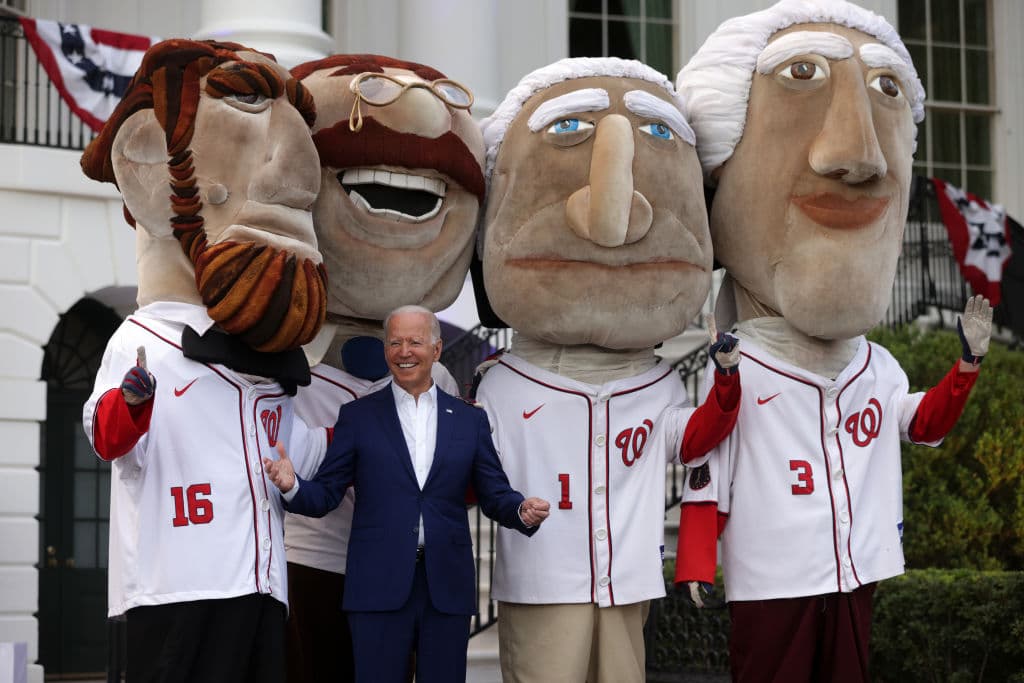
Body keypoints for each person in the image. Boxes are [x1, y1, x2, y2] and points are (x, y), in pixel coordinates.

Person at [672, 1, 991, 680]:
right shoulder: (742, 364)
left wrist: (966, 365)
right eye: (804, 73)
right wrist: (697, 559)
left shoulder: (876, 364)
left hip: (855, 565)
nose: (860, 153)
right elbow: (704, 469)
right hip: (774, 573)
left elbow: (921, 426)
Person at [472, 57, 741, 683]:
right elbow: (470, 473)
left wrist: (725, 380)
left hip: (626, 574)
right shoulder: (501, 384)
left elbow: (691, 441)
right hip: (540, 575)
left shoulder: (659, 381)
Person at [80, 40, 330, 683]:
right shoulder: (145, 337)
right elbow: (108, 438)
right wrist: (135, 401)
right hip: (172, 588)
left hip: (260, 582)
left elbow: (303, 456)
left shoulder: (274, 358)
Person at [282, 53, 485, 683]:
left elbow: (464, 479)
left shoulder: (444, 386)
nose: (406, 351)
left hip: (405, 573)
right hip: (304, 559)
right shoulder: (281, 355)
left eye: (415, 341)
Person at [264, 305, 551, 683]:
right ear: (385, 351)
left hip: (445, 585)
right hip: (376, 584)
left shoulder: (469, 419)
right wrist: (293, 485)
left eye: (415, 342)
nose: (404, 351)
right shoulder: (357, 417)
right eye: (395, 342)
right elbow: (327, 494)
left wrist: (520, 511)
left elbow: (494, 491)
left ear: (436, 349)